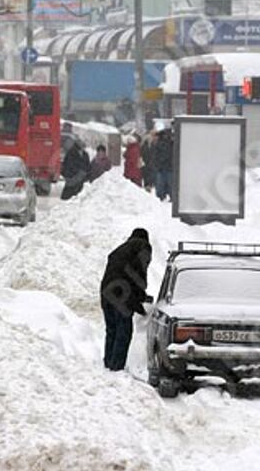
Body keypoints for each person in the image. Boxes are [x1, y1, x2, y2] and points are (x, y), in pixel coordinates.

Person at [100, 228, 153, 371]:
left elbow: (126, 274)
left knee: (112, 329)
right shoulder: (143, 246)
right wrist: (140, 299)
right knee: (124, 330)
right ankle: (116, 367)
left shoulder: (120, 251)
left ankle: (108, 363)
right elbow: (138, 274)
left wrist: (140, 297)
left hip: (106, 292)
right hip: (121, 294)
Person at [153, 128, 174, 201]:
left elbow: (157, 155)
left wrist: (158, 162)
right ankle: (169, 196)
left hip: (163, 167)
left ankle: (161, 196)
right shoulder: (171, 143)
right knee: (169, 183)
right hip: (168, 167)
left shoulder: (160, 143)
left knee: (161, 183)